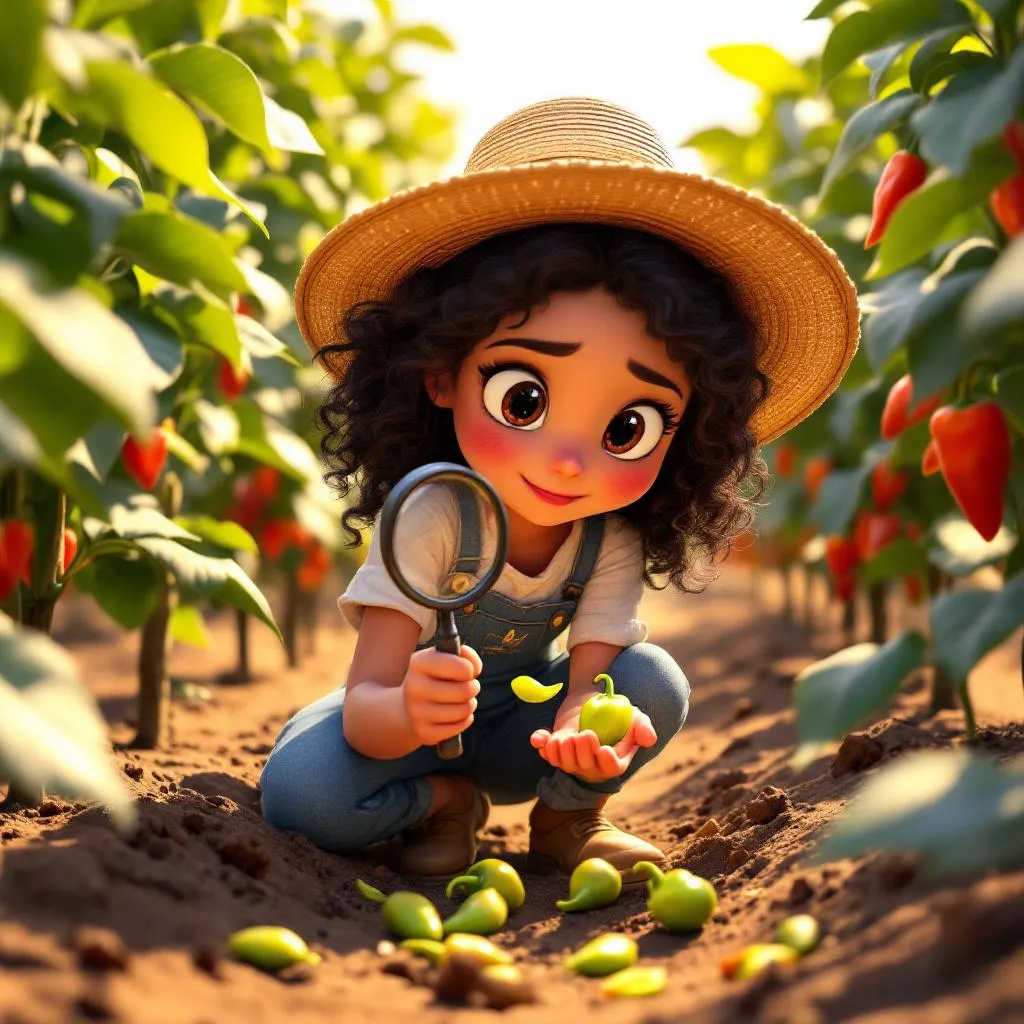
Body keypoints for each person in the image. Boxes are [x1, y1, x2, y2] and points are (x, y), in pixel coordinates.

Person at [259, 97, 858, 883]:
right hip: (406, 740)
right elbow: (368, 700)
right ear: (441, 375)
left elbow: (592, 685)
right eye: (524, 401)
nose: (569, 461)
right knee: (301, 792)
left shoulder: (608, 537)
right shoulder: (433, 513)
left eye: (628, 427)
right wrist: (407, 709)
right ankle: (442, 802)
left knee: (650, 682)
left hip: (523, 736)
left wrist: (583, 728)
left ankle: (569, 819)